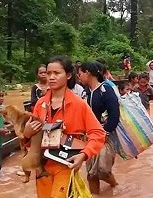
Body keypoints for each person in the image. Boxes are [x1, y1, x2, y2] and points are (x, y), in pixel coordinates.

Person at [24, 56, 106, 198]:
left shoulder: (78, 104)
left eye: (57, 73)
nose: (51, 77)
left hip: (65, 163)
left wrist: (83, 154)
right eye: (49, 73)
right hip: (42, 166)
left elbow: (98, 133)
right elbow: (31, 140)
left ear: (68, 75)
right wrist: (26, 134)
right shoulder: (40, 104)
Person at [78, 61, 120, 194]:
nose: (78, 77)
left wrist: (105, 132)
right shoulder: (85, 93)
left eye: (80, 74)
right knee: (91, 174)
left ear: (87, 73)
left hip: (105, 136)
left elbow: (114, 114)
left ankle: (115, 186)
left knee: (103, 170)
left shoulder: (105, 90)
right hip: (89, 137)